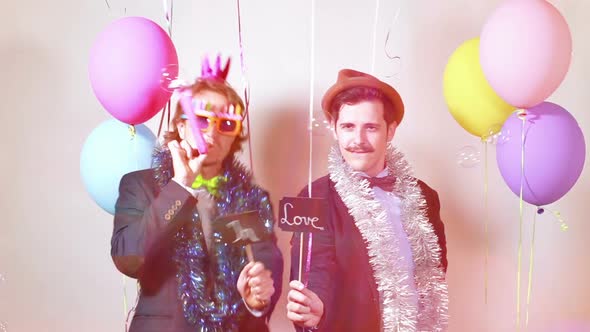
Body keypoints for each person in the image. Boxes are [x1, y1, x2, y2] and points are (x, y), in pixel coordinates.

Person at [111, 56, 283, 332]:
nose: (212, 132)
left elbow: (267, 266)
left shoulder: (252, 198)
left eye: (226, 124)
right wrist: (180, 186)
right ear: (180, 126)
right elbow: (130, 258)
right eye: (202, 119)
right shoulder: (141, 186)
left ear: (234, 137)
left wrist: (257, 299)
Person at [286, 69, 449, 331]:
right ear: (335, 129)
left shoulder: (425, 197)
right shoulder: (313, 197)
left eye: (371, 127)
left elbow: (434, 273)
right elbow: (315, 267)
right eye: (348, 127)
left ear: (391, 130)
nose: (358, 141)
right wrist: (316, 308)